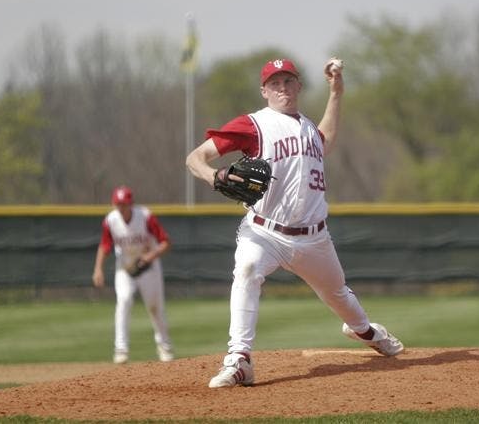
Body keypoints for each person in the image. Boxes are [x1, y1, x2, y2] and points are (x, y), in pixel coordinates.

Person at [186, 58, 404, 389]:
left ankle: (367, 332)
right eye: (275, 83)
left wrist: (337, 93)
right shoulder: (254, 124)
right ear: (264, 91)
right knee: (246, 270)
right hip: (264, 232)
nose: (283, 88)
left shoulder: (307, 128)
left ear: (299, 86)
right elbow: (195, 159)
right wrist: (214, 176)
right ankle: (239, 359)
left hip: (314, 239)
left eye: (288, 81)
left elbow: (325, 139)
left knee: (339, 296)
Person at [92, 186, 174, 364]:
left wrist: (149, 256)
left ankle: (164, 346)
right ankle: (121, 349)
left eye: (124, 204)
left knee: (154, 306)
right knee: (124, 300)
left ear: (131, 204)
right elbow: (105, 246)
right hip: (125, 269)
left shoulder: (145, 216)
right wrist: (98, 268)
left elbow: (166, 242)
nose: (121, 208)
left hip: (149, 267)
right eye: (118, 204)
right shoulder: (111, 220)